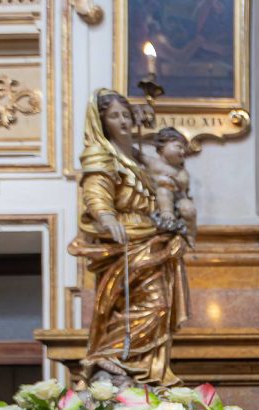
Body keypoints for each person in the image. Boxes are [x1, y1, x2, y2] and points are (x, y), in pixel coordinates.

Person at [70, 89, 191, 387]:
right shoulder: (101, 155)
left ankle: (144, 369)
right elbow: (96, 192)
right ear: (102, 122)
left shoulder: (137, 158)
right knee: (144, 303)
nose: (123, 121)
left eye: (125, 115)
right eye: (114, 116)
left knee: (160, 304)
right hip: (125, 237)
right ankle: (111, 354)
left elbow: (166, 180)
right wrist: (107, 218)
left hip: (152, 236)